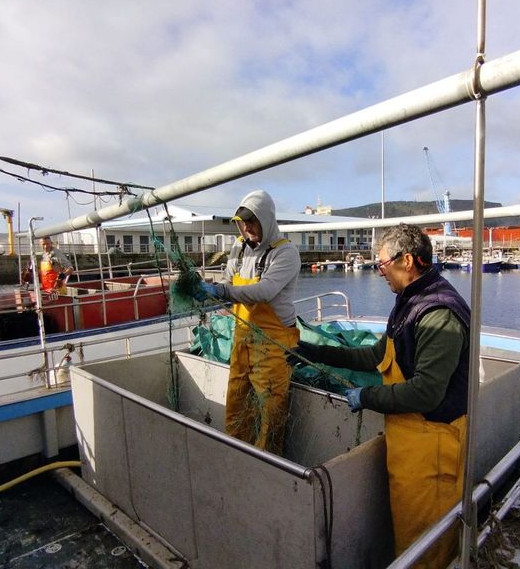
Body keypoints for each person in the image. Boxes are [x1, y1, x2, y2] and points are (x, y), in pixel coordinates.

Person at [289, 223, 470, 568]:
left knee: (427, 546)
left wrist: (367, 396)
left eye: (382, 264)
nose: (379, 271)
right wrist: (315, 351)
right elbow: (375, 356)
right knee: (408, 535)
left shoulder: (438, 314)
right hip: (408, 446)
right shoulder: (409, 301)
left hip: (431, 450)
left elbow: (426, 392)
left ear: (408, 260)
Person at [197, 190, 301, 454]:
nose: (246, 228)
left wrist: (222, 292)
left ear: (267, 219)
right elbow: (229, 281)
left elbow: (263, 292)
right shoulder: (239, 247)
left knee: (271, 409)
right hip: (243, 338)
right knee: (236, 401)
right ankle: (238, 453)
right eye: (242, 223)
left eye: (252, 221)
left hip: (274, 342)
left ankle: (269, 461)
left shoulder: (286, 253)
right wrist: (209, 290)